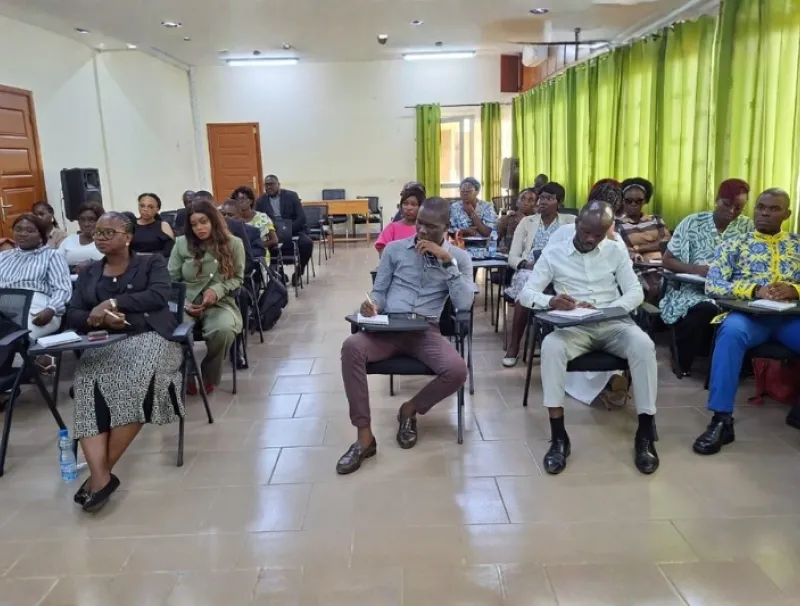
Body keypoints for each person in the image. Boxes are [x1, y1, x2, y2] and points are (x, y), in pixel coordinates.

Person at [518, 201, 659, 475]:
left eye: (598, 234)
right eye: (585, 231)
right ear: (577, 223)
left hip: (613, 322)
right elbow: (527, 294)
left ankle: (644, 434)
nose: (590, 239)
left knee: (643, 345)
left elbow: (635, 292)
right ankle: (559, 437)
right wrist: (552, 300)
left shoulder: (616, 250)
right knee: (551, 346)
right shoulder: (554, 252)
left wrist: (607, 310)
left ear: (608, 230)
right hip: (574, 327)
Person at [337, 197, 474, 475]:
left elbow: (464, 304)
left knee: (457, 370)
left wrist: (446, 261)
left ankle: (410, 409)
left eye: (430, 226)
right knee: (351, 346)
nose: (422, 231)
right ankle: (364, 438)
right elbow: (380, 291)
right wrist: (373, 305)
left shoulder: (459, 258)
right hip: (389, 327)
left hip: (425, 330)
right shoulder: (395, 250)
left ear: (446, 226)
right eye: (419, 223)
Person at [66, 211, 183, 513]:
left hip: (152, 339)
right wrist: (100, 319)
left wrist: (113, 304)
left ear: (128, 237)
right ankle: (101, 478)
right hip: (104, 343)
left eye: (108, 232)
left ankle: (97, 477)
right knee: (86, 385)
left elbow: (158, 295)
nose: (100, 238)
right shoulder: (89, 271)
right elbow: (74, 313)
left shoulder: (150, 263)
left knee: (137, 380)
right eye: (98, 233)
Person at [694, 188, 800, 454]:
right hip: (748, 317)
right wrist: (754, 290)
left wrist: (795, 290)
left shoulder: (797, 244)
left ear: (787, 214)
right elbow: (713, 285)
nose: (764, 213)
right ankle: (721, 420)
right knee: (729, 335)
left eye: (773, 209)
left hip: (790, 319)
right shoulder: (734, 243)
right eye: (761, 207)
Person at [661, 179, 754, 376]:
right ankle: (682, 360)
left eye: (738, 207)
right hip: (693, 288)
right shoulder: (693, 222)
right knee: (706, 308)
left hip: (731, 291)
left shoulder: (747, 227)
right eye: (726, 204)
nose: (731, 211)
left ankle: (730, 367)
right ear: (716, 199)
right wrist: (696, 269)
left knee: (744, 313)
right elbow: (668, 261)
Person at [168, 199, 244, 394]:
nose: (199, 228)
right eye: (193, 224)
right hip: (185, 302)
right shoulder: (181, 244)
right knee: (174, 331)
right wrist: (183, 303)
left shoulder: (233, 244)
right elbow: (170, 281)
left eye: (203, 222)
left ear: (213, 220)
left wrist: (217, 290)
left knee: (224, 329)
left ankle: (209, 373)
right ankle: (188, 371)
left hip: (219, 303)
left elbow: (237, 278)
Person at [502, 183, 576, 367]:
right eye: (541, 198)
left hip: (561, 271)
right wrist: (527, 263)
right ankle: (514, 346)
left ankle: (571, 346)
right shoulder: (527, 222)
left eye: (549, 198)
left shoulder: (571, 222)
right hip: (531, 269)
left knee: (575, 291)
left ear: (559, 202)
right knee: (525, 294)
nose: (543, 202)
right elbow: (512, 256)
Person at [0, 214, 71, 341]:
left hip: (37, 309)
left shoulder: (52, 256)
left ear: (41, 236)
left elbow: (62, 289)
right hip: (3, 308)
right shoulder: (3, 257)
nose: (22, 233)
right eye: (18, 229)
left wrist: (52, 309)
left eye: (29, 230)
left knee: (16, 338)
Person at [616, 177, 671, 303]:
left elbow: (666, 242)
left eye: (638, 201)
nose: (633, 205)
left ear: (645, 201)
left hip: (664, 265)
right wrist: (650, 246)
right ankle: (651, 320)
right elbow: (623, 249)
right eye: (629, 201)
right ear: (622, 201)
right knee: (653, 288)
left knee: (676, 286)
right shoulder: (618, 224)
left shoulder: (656, 220)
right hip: (639, 267)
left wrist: (639, 248)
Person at [255, 175, 313, 283]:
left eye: (271, 184)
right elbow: (258, 219)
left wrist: (288, 231)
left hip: (293, 229)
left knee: (307, 243)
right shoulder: (260, 201)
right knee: (268, 246)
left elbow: (301, 218)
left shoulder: (292, 196)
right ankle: (280, 273)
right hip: (273, 232)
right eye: (266, 185)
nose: (268, 187)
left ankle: (299, 271)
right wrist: (274, 232)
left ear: (278, 185)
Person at [375, 187, 423, 256]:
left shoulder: (424, 229)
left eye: (413, 204)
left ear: (421, 207)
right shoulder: (392, 228)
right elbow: (383, 253)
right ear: (401, 206)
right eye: (405, 204)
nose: (408, 208)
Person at [231, 185, 278, 254]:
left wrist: (255, 246)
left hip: (259, 254)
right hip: (239, 253)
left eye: (242, 199)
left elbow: (274, 240)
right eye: (237, 199)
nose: (239, 202)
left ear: (250, 201)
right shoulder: (233, 219)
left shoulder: (263, 217)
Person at [219, 198, 266, 266]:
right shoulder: (216, 231)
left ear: (240, 215)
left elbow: (259, 251)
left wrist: (239, 253)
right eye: (223, 214)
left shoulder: (252, 231)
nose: (226, 218)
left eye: (230, 215)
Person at [58, 202, 105, 268]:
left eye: (91, 220)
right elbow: (57, 263)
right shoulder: (69, 240)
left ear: (100, 220)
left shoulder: (106, 240)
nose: (86, 224)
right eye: (82, 220)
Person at [496, 188, 537, 254]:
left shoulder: (538, 222)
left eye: (530, 200)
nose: (525, 203)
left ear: (535, 205)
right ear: (517, 202)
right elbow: (493, 242)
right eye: (522, 199)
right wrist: (499, 249)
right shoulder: (507, 219)